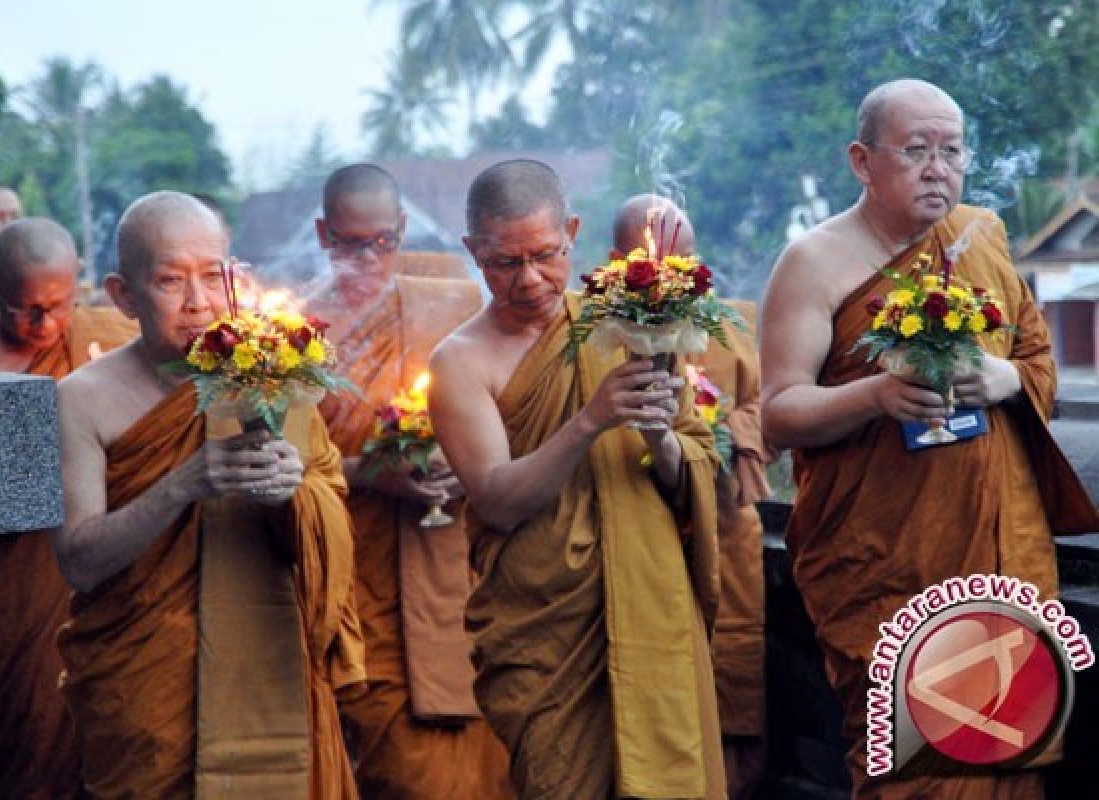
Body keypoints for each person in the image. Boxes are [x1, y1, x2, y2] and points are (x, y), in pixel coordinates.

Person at [760, 79, 1099, 798]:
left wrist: (1004, 378)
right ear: (862, 160)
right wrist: (877, 394)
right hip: (888, 566)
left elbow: (1036, 366)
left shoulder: (982, 237)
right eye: (915, 150)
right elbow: (780, 412)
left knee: (1009, 766)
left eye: (951, 151)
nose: (937, 168)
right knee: (916, 775)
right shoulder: (814, 262)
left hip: (1001, 558)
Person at [429, 159, 727, 799]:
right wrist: (590, 420)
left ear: (571, 231)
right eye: (505, 263)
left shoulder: (628, 323)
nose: (530, 279)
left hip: (652, 611)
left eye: (546, 255)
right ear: (472, 251)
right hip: (546, 633)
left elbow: (691, 467)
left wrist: (657, 437)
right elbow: (497, 498)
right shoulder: (459, 362)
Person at [53, 191, 363, 798]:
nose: (198, 304)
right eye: (170, 281)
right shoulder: (81, 400)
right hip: (145, 691)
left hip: (271, 677)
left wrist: (291, 495)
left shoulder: (276, 378)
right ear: (123, 295)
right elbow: (78, 560)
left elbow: (334, 523)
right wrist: (181, 485)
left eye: (211, 276)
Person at [309, 163, 514, 799]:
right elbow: (291, 469)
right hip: (358, 579)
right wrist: (374, 473)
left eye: (382, 241)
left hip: (454, 573)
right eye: (348, 242)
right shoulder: (296, 334)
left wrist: (462, 468)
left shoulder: (449, 308)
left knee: (490, 756)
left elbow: (508, 420)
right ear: (322, 234)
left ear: (401, 231)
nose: (367, 257)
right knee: (399, 767)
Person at [0, 217, 137, 798]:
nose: (45, 324)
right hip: (24, 590)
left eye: (58, 305)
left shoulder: (106, 340)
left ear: (78, 283)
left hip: (112, 582)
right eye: (24, 308)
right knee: (35, 743)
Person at [613, 194, 771, 800]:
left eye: (683, 264)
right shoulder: (601, 329)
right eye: (653, 263)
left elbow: (759, 405)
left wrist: (719, 429)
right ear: (617, 262)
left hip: (722, 521)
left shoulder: (726, 324)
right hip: (638, 522)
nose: (670, 278)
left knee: (729, 662)